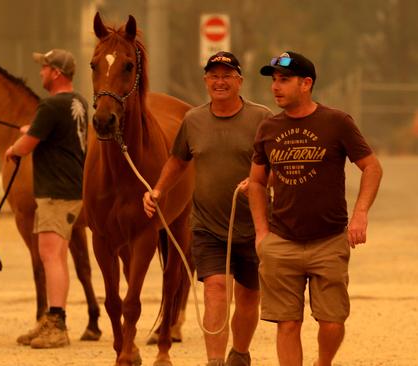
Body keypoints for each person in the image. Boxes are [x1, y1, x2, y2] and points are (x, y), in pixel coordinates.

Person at [250, 51, 383, 366]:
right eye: (274, 80)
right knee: (288, 322)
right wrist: (261, 233)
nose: (276, 87)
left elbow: (372, 167)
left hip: (329, 240)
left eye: (284, 80)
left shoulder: (337, 122)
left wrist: (360, 213)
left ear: (306, 83)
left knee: (333, 322)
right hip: (281, 240)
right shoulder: (268, 128)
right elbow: (256, 182)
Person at [143, 51, 272, 366]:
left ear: (239, 81)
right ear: (205, 81)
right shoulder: (194, 120)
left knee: (247, 298)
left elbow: (277, 163)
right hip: (207, 226)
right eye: (214, 76)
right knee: (215, 289)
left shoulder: (262, 118)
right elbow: (178, 160)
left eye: (227, 76)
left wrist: (263, 183)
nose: (220, 82)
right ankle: (215, 361)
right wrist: (158, 189)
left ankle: (239, 354)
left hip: (252, 225)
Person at [3, 49, 87, 349]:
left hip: (56, 191)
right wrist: (33, 130)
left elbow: (27, 146)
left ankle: (57, 323)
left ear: (56, 73)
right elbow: (52, 132)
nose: (40, 73)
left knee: (51, 257)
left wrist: (14, 148)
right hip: (70, 188)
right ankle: (51, 320)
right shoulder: (77, 101)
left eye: (44, 68)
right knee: (57, 256)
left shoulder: (50, 105)